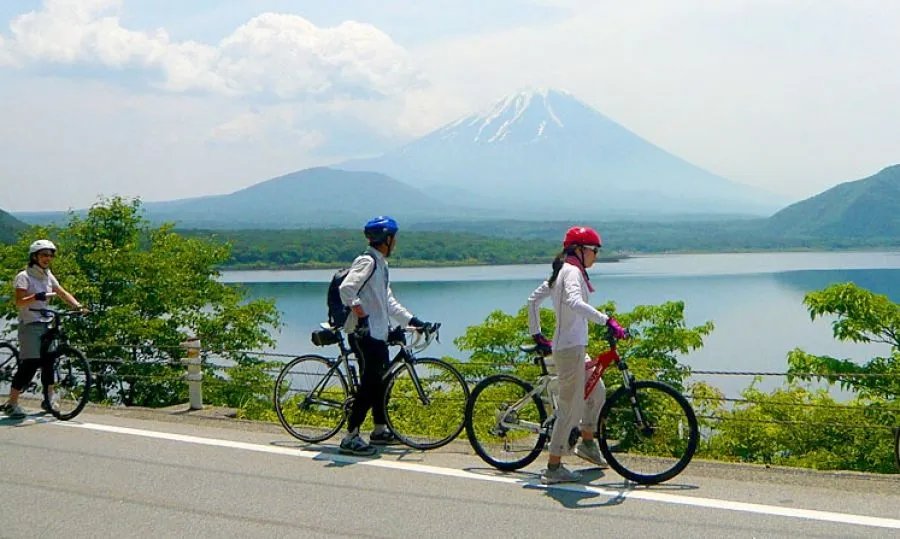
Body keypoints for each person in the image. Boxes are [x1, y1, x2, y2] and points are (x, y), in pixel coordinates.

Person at [526, 226, 626, 484]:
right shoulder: (570, 272)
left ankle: (588, 443)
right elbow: (573, 302)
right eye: (594, 251)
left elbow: (533, 301)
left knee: (597, 390)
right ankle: (553, 466)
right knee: (570, 407)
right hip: (569, 350)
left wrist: (537, 333)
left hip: (575, 347)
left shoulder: (566, 270)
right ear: (580, 250)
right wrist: (607, 321)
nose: (596, 256)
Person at [337, 216, 432, 456]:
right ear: (386, 239)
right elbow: (347, 288)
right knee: (370, 383)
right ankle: (351, 436)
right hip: (365, 334)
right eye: (394, 238)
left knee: (381, 381)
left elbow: (387, 301)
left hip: (378, 333)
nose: (396, 243)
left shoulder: (381, 264)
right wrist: (361, 314)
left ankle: (379, 429)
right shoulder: (367, 261)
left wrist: (413, 320)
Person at [1, 240, 87, 419]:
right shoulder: (23, 276)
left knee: (49, 363)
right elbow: (19, 302)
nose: (48, 258)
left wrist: (78, 307)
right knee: (30, 365)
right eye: (44, 255)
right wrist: (36, 297)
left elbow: (62, 293)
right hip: (30, 324)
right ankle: (12, 403)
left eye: (50, 255)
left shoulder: (48, 275)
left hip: (46, 322)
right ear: (34, 257)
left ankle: (48, 401)